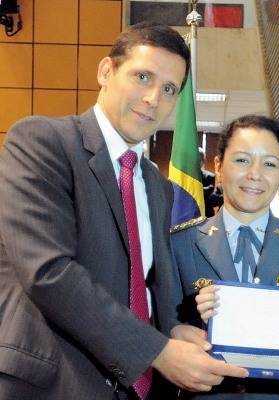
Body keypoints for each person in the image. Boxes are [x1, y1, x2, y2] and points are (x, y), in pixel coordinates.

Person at [0, 22, 247, 400]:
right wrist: (157, 350)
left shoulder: (156, 184)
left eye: (168, 89)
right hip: (56, 383)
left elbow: (148, 282)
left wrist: (170, 329)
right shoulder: (42, 142)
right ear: (106, 71)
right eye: (142, 76)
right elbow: (48, 272)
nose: (153, 98)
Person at [169, 115, 279, 399]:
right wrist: (188, 326)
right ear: (218, 167)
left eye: (270, 164)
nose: (255, 174)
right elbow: (161, 330)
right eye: (241, 160)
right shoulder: (179, 243)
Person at [199, 148, 223, 217]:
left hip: (206, 212)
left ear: (203, 161)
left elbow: (210, 191)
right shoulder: (187, 177)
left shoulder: (210, 176)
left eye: (199, 160)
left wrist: (194, 189)